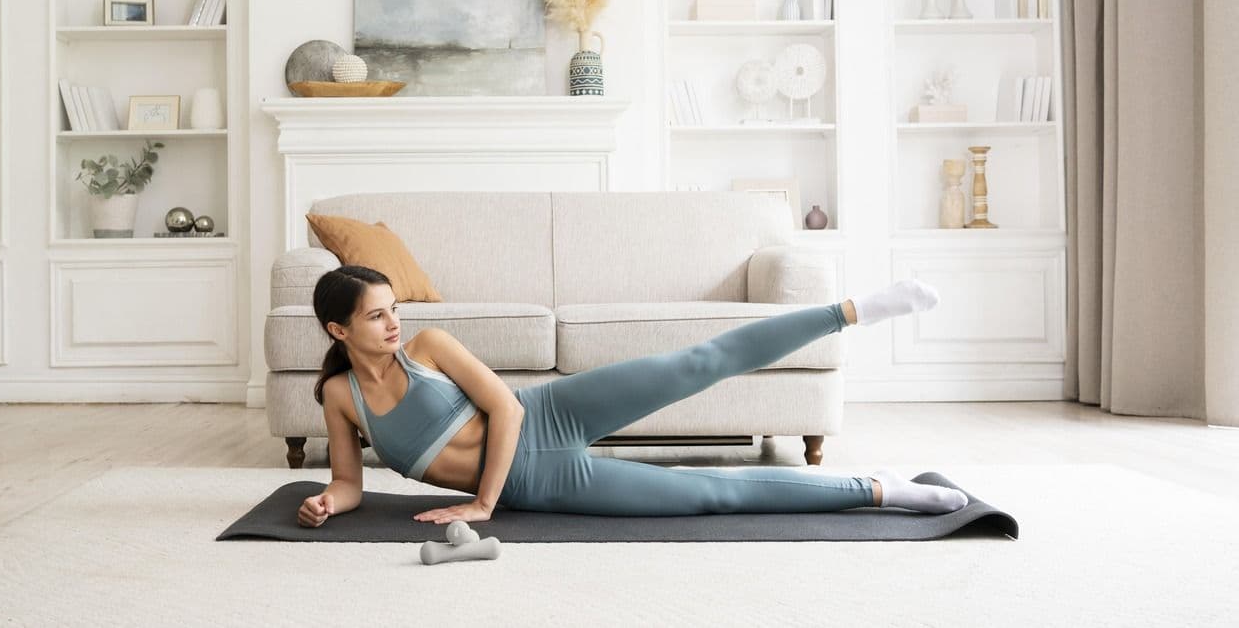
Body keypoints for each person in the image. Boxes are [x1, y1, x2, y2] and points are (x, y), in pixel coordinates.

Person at [297, 265, 968, 528]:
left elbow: (505, 407)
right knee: (709, 495)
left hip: (545, 415)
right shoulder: (340, 393)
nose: (394, 322)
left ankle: (854, 309)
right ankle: (878, 488)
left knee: (696, 362)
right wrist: (330, 500)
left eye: (392, 307)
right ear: (338, 329)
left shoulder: (431, 346)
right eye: (375, 316)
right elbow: (349, 480)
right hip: (543, 478)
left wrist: (480, 502)